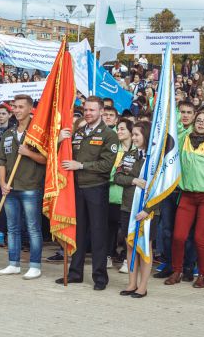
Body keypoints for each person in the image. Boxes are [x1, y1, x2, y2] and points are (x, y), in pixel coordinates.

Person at [57, 96, 119, 290]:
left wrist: (81, 165)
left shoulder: (109, 135)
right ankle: (75, 273)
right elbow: (65, 157)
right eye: (86, 110)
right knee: (78, 233)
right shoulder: (79, 132)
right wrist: (60, 142)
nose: (88, 113)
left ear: (101, 111)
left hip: (96, 188)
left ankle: (100, 277)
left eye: (92, 110)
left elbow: (107, 165)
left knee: (98, 233)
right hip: (76, 189)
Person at [165, 94, 204, 288]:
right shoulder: (184, 138)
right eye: (198, 120)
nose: (201, 123)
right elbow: (174, 125)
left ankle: (203, 275)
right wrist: (174, 100)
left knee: (200, 238)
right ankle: (177, 271)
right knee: (178, 236)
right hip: (188, 196)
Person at [0, 94, 46, 280]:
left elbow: (47, 159)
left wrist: (28, 153)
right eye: (14, 107)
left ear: (30, 109)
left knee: (33, 228)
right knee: (12, 227)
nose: (16, 110)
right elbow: (1, 160)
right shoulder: (8, 133)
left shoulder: (37, 133)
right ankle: (13, 263)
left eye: (20, 107)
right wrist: (2, 183)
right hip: (10, 187)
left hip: (30, 186)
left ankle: (35, 265)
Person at [114, 121, 157, 298]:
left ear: (146, 135)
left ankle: (143, 286)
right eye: (133, 135)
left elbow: (161, 188)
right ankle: (132, 283)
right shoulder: (129, 155)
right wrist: (133, 180)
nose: (134, 138)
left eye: (137, 135)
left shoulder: (155, 158)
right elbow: (117, 176)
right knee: (130, 245)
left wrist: (148, 209)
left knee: (145, 247)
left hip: (148, 210)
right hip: (128, 207)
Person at [110, 118, 133, 273]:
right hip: (111, 195)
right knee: (109, 229)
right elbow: (109, 172)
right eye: (118, 129)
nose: (119, 131)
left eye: (122, 129)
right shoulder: (113, 149)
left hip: (129, 198)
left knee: (126, 231)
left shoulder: (136, 151)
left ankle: (127, 259)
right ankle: (108, 256)